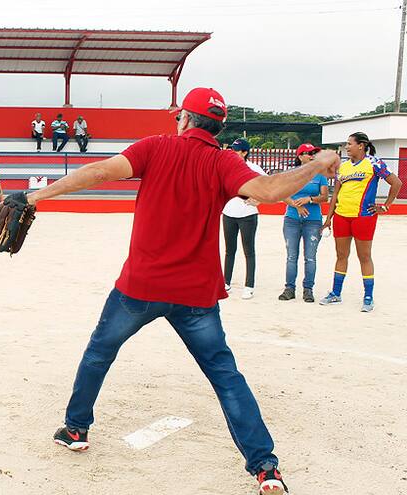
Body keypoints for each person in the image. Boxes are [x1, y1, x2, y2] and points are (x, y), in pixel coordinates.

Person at [26, 87, 340, 495]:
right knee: (226, 376)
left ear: (186, 120)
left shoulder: (155, 147)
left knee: (99, 352)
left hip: (140, 286)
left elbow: (100, 172)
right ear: (217, 127)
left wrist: (36, 196)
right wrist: (316, 164)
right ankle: (264, 466)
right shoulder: (223, 160)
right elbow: (267, 192)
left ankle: (75, 429)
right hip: (196, 294)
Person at [320, 132, 402, 312]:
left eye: (349, 144)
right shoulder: (344, 167)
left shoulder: (374, 163)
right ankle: (336, 293)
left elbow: (396, 183)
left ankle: (368, 296)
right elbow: (336, 195)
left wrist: (385, 206)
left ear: (361, 145)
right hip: (342, 216)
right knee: (341, 256)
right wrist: (328, 219)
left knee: (364, 257)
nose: (347, 147)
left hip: (363, 217)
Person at [278, 143, 328, 303]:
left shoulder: (320, 175)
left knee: (310, 257)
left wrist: (310, 199)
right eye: (308, 153)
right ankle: (289, 289)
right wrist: (296, 206)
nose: (312, 155)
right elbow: (282, 194)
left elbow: (324, 197)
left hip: (313, 221)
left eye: (314, 153)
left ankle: (308, 290)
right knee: (291, 256)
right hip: (292, 219)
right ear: (300, 156)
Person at [222, 138, 267, 300]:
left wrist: (259, 199)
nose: (233, 153)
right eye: (232, 150)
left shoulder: (253, 168)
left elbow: (266, 186)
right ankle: (226, 282)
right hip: (228, 213)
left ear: (245, 152)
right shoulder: (226, 167)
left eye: (236, 151)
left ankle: (249, 285)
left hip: (248, 214)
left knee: (249, 251)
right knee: (229, 250)